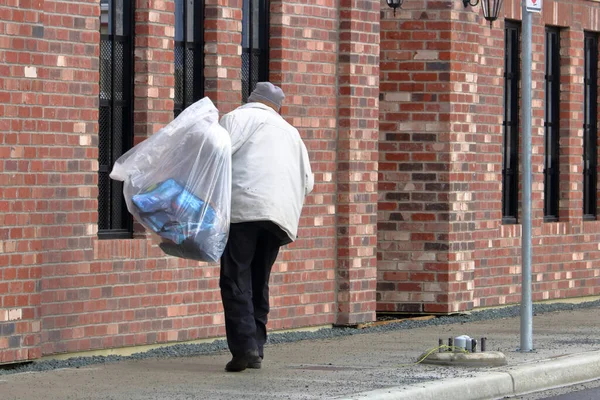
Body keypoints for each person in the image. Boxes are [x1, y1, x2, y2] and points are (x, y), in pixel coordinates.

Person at [218, 82, 314, 372]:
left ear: (251, 99)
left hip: (243, 211)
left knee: (235, 279)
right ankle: (256, 347)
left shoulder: (236, 118)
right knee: (260, 279)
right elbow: (308, 182)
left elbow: (215, 157)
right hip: (279, 217)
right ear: (277, 106)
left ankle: (244, 349)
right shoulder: (292, 134)